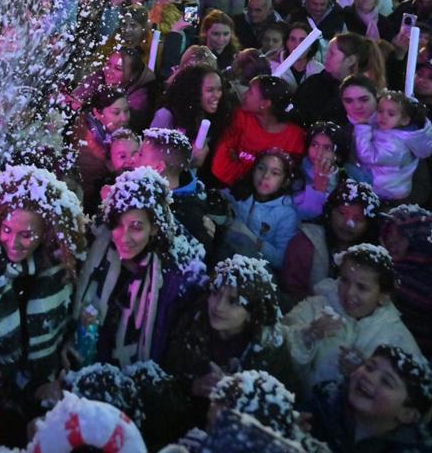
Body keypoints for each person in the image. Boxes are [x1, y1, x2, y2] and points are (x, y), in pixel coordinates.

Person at [0, 165, 86, 443]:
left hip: (38, 400)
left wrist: (58, 373)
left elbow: (66, 324)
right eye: (7, 229)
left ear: (44, 233)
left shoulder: (57, 270)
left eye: (26, 235)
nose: (14, 242)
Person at [73, 167, 205, 368]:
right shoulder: (93, 246)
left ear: (154, 227)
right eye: (118, 224)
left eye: (136, 227)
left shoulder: (175, 281)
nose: (123, 238)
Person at [162, 256, 293, 427]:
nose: (218, 306)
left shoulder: (269, 351)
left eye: (233, 301)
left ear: (252, 313)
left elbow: (279, 410)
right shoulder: (191, 322)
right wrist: (192, 386)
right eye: (215, 292)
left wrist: (238, 394)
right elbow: (165, 377)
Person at [283, 244, 424, 401]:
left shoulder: (397, 337)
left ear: (383, 296)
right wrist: (305, 337)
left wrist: (364, 375)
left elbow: (416, 398)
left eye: (362, 288)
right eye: (345, 280)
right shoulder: (315, 307)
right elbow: (276, 350)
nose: (349, 292)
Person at [310, 345, 432, 453]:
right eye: (369, 367)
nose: (370, 377)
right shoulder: (324, 402)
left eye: (386, 382)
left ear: (407, 414)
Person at [280, 179, 381, 309]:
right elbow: (290, 294)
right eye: (342, 213)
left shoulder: (373, 256)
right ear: (330, 211)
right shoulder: (305, 244)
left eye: (358, 219)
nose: (348, 223)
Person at [211, 75, 306, 187]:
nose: (244, 94)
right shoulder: (240, 117)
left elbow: (286, 181)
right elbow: (220, 167)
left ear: (265, 104)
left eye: (250, 92)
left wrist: (240, 165)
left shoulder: (296, 138)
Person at [220, 149, 300, 270]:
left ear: (285, 181)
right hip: (226, 258)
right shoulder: (241, 193)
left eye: (275, 173)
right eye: (261, 168)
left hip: (258, 270)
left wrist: (250, 237)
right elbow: (220, 196)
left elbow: (281, 260)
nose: (265, 176)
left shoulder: (287, 214)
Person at [350, 90, 432, 203]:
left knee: (348, 171)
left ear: (404, 120)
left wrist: (362, 128)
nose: (383, 116)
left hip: (385, 190)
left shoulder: (396, 145)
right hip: (384, 182)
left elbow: (368, 155)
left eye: (391, 114)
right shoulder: (390, 131)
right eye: (380, 111)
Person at [380, 204, 432, 358]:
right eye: (388, 232)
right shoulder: (384, 265)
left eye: (402, 235)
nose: (391, 241)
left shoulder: (424, 276)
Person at [292, 121, 347, 220]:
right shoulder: (296, 173)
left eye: (327, 148)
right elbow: (299, 214)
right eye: (314, 145)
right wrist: (318, 188)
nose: (319, 153)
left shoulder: (345, 177)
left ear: (337, 155)